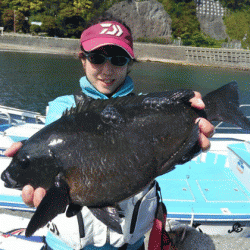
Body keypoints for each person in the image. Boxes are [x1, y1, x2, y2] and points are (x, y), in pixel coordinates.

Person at [5, 15, 214, 250]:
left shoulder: (148, 108)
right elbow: (56, 138)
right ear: (82, 59)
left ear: (129, 63)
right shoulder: (63, 107)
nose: (107, 69)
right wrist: (30, 149)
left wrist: (194, 141)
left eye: (117, 59)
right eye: (97, 58)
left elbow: (170, 153)